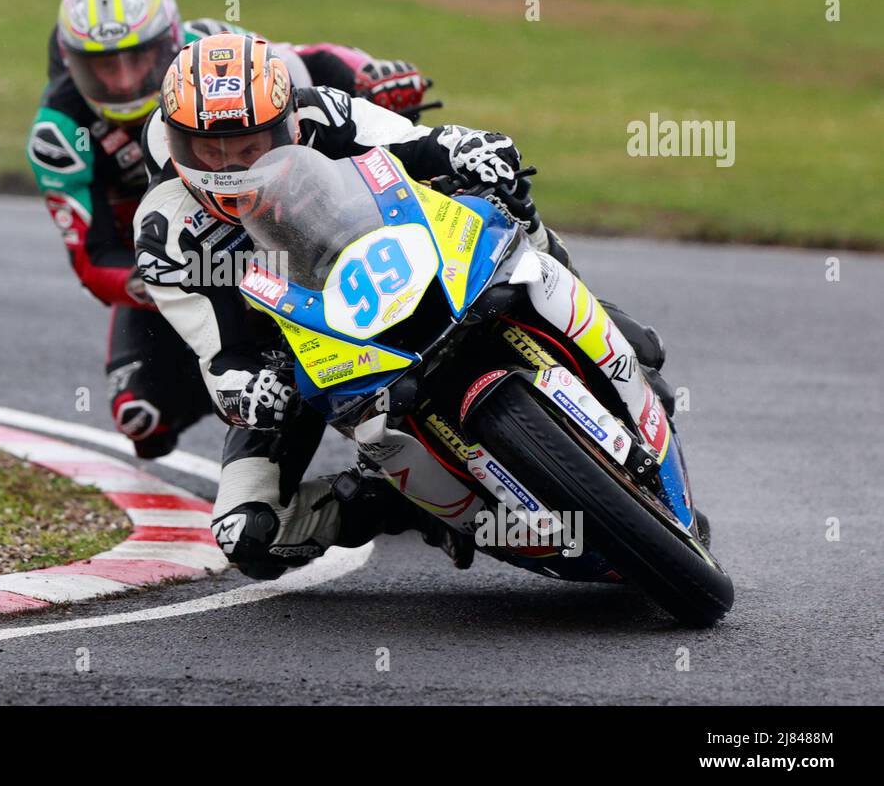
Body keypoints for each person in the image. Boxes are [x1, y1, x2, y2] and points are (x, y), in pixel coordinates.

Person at [133, 33, 671, 580]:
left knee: (500, 192)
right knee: (248, 535)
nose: (231, 165)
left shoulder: (323, 112)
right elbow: (220, 352)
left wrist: (468, 149)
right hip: (296, 354)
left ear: (287, 125)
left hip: (392, 258)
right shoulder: (166, 231)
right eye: (210, 149)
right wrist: (250, 391)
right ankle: (402, 502)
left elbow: (420, 145)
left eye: (250, 146)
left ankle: (597, 321)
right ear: (179, 144)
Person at [25, 0, 433, 458]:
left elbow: (303, 66)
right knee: (142, 420)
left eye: (139, 58)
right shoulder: (59, 134)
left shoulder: (214, 52)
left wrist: (368, 75)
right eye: (104, 66)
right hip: (184, 250)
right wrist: (163, 277)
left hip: (291, 207)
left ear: (171, 38)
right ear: (71, 63)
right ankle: (260, 398)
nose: (126, 81)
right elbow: (92, 258)